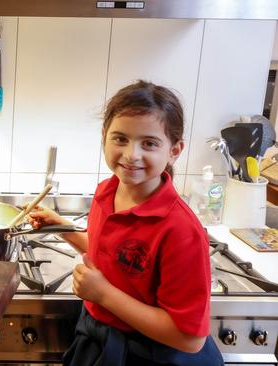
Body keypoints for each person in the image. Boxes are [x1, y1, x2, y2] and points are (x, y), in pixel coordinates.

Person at [28, 80, 223, 365]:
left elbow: (189, 339)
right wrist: (61, 227)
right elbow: (116, 257)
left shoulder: (180, 229)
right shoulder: (107, 191)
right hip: (101, 339)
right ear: (104, 136)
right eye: (120, 139)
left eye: (149, 143)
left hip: (150, 355)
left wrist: (103, 294)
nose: (132, 155)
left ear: (174, 150)